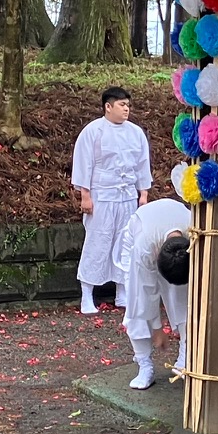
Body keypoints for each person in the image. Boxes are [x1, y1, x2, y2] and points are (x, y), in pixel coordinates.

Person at [70, 85, 151, 315]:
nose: (126, 109)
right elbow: (84, 163)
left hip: (127, 196)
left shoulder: (136, 132)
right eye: (122, 105)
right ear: (108, 106)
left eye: (128, 105)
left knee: (125, 242)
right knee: (98, 241)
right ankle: (87, 295)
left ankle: (122, 292)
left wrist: (143, 193)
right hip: (101, 195)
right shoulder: (93, 131)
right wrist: (85, 195)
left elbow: (142, 163)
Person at [115, 167, 192, 390]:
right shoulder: (144, 247)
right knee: (136, 304)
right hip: (136, 241)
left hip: (175, 249)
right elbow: (145, 293)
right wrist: (157, 329)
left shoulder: (193, 232)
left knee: (185, 296)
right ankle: (144, 364)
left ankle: (186, 353)